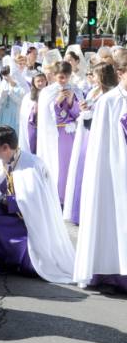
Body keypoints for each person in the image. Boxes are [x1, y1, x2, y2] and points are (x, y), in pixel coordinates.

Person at [0, 125, 75, 283]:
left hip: (28, 221)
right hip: (7, 213)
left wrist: (1, 198)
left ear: (5, 148)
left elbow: (32, 206)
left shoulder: (31, 167)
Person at [73, 51, 127, 293]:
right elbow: (101, 146)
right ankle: (112, 272)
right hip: (113, 171)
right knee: (111, 220)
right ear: (120, 73)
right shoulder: (109, 102)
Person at [63, 62, 117, 225]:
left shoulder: (111, 93)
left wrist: (91, 113)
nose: (92, 77)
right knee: (82, 169)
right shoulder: (94, 90)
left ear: (102, 76)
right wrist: (84, 108)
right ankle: (79, 212)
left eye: (95, 74)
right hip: (86, 133)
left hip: (98, 134)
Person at [37, 61, 81, 203]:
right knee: (56, 164)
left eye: (67, 77)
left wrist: (71, 101)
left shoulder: (75, 89)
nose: (64, 80)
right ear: (55, 75)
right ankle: (57, 196)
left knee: (70, 164)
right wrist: (57, 101)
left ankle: (70, 195)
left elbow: (78, 113)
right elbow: (45, 114)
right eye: (61, 77)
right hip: (54, 135)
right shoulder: (47, 92)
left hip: (70, 134)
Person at [18, 73, 47, 153]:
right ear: (34, 82)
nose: (41, 83)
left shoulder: (49, 94)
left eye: (42, 80)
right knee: (32, 147)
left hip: (45, 126)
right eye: (38, 81)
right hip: (32, 126)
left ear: (46, 81)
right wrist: (34, 110)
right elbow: (25, 113)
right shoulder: (28, 97)